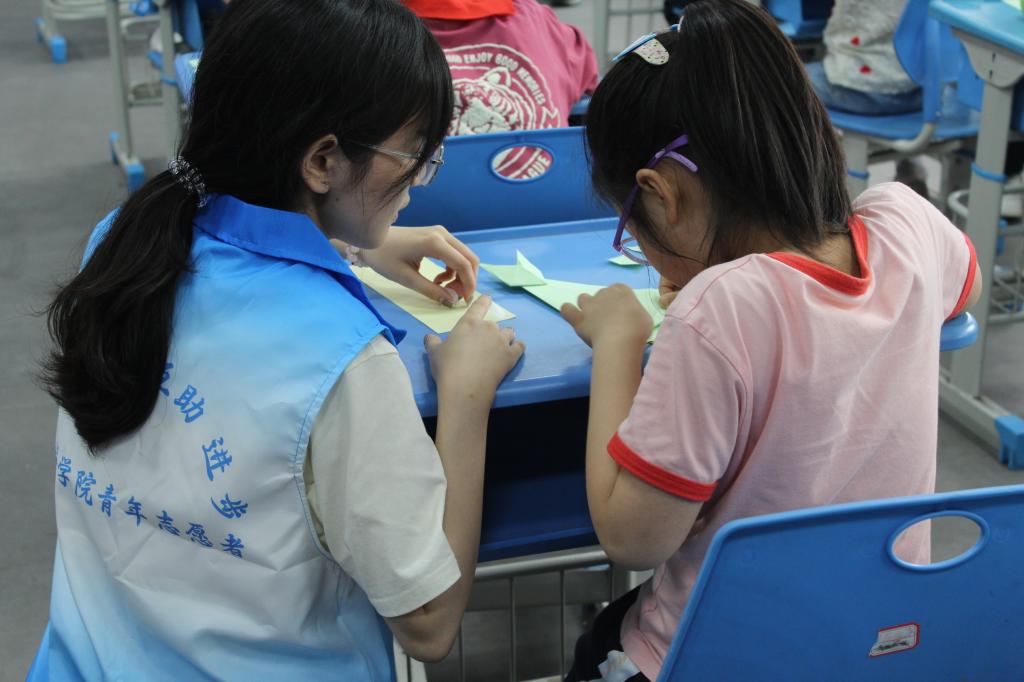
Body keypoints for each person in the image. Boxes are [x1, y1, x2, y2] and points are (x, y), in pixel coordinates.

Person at [41, 0, 523, 679]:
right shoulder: (342, 357)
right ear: (322, 161)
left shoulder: (121, 242)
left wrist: (353, 245)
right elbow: (430, 621)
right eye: (413, 155)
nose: (417, 181)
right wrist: (467, 398)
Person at [559, 2, 982, 679]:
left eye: (632, 232)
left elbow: (631, 537)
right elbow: (966, 288)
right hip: (882, 644)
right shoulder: (907, 221)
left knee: (601, 646)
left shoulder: (716, 311)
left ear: (661, 195)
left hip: (729, 654)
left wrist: (616, 340)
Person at [403, 0, 598, 136]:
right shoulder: (543, 23)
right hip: (544, 183)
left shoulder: (390, 33)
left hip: (434, 183)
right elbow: (591, 79)